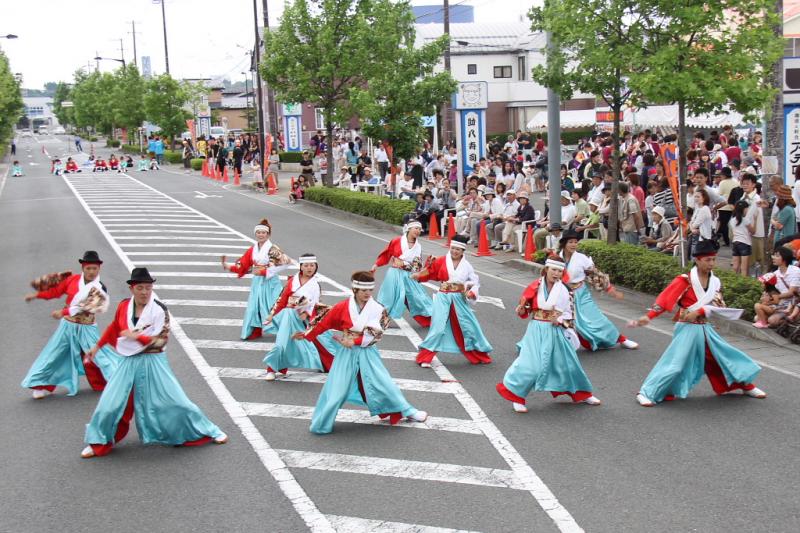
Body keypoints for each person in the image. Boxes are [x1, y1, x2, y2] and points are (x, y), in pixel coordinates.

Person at [80, 268, 227, 458]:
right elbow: (114, 328)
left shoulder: (159, 310)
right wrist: (97, 347)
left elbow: (161, 340)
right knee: (110, 403)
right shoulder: (124, 306)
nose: (144, 292)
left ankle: (209, 430)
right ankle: (99, 441)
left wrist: (137, 336)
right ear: (132, 288)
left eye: (148, 288)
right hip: (128, 361)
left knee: (176, 402)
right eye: (140, 288)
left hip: (153, 361)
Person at [628, 240, 766, 406]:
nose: (712, 263)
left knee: (724, 357)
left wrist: (701, 311)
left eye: (713, 259)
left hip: (704, 328)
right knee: (675, 364)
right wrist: (648, 316)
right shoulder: (684, 280)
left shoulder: (715, 282)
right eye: (708, 260)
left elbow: (719, 305)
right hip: (687, 328)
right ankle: (646, 392)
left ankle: (746, 385)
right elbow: (665, 300)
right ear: (698, 260)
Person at [296, 271, 429, 434]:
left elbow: (378, 331)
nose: (367, 293)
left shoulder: (378, 308)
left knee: (383, 384)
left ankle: (407, 411)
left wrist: (355, 340)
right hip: (347, 353)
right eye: (363, 290)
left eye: (370, 290)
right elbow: (324, 322)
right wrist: (307, 334)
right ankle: (321, 422)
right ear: (355, 290)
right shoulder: (342, 306)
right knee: (336, 389)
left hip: (367, 352)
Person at [496, 256, 602, 412]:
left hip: (556, 330)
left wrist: (560, 320)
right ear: (546, 269)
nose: (557, 273)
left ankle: (582, 393)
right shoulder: (534, 286)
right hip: (537, 329)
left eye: (560, 270)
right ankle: (516, 396)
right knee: (531, 365)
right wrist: (521, 309)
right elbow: (525, 307)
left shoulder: (565, 290)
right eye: (554, 270)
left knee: (568, 364)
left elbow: (570, 314)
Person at [21, 251, 121, 398]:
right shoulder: (72, 280)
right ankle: (40, 385)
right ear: (83, 268)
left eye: (94, 268)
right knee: (54, 355)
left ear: (99, 268)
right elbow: (55, 291)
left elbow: (87, 306)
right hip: (67, 327)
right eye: (88, 268)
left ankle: (117, 380)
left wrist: (63, 312)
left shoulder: (100, 288)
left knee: (98, 356)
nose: (92, 272)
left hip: (87, 328)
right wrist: (37, 295)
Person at [411, 235, 493, 367]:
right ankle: (424, 358)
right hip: (443, 297)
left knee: (469, 327)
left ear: (463, 251)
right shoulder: (441, 260)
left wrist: (471, 291)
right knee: (437, 328)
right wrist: (419, 276)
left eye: (458, 250)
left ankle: (478, 354)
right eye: (453, 248)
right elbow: (430, 272)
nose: (454, 251)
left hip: (459, 299)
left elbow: (474, 282)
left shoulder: (467, 266)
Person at [559, 231, 639, 351]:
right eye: (570, 242)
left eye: (576, 242)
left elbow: (595, 274)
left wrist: (609, 288)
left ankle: (621, 339)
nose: (573, 245)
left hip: (580, 293)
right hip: (562, 294)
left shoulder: (582, 258)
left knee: (596, 318)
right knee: (561, 321)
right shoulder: (556, 257)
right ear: (564, 243)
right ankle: (556, 345)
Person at [221, 218, 289, 340]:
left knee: (275, 306)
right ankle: (255, 330)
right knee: (254, 306)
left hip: (270, 282)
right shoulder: (253, 249)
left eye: (263, 233)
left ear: (268, 234)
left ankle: (288, 329)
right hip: (258, 282)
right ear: (255, 234)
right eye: (258, 232)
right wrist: (229, 267)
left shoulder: (272, 248)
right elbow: (244, 265)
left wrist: (266, 271)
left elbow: (285, 262)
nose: (261, 235)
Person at [263, 254, 328, 379]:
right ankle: (272, 369)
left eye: (312, 265)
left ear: (316, 267)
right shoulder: (293, 281)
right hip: (290, 315)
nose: (309, 268)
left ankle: (328, 365)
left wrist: (306, 313)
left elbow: (316, 303)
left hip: (305, 319)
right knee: (282, 342)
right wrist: (272, 314)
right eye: (306, 265)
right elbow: (282, 299)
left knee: (318, 341)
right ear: (301, 267)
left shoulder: (315, 285)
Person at [371, 221, 433, 327]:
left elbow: (418, 266)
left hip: (409, 275)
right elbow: (387, 254)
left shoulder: (418, 246)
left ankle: (430, 319)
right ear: (409, 229)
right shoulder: (396, 241)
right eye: (416, 228)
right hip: (395, 274)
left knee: (417, 298)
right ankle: (378, 320)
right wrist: (376, 264)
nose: (418, 231)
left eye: (419, 229)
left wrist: (428, 263)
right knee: (388, 297)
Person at [753, 246, 800, 328]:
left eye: (777, 256)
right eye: (774, 255)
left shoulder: (795, 271)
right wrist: (767, 297)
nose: (773, 258)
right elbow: (772, 291)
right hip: (779, 304)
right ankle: (767, 321)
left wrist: (775, 297)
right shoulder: (775, 273)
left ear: (784, 258)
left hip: (792, 304)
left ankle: (792, 319)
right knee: (756, 318)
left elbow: (792, 293)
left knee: (772, 321)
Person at [730, 200, 754, 275]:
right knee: (744, 268)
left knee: (735, 266)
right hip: (745, 243)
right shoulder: (746, 220)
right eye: (747, 209)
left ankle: (732, 281)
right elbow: (753, 231)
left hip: (735, 243)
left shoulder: (732, 220)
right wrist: (755, 220)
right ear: (744, 209)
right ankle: (743, 284)